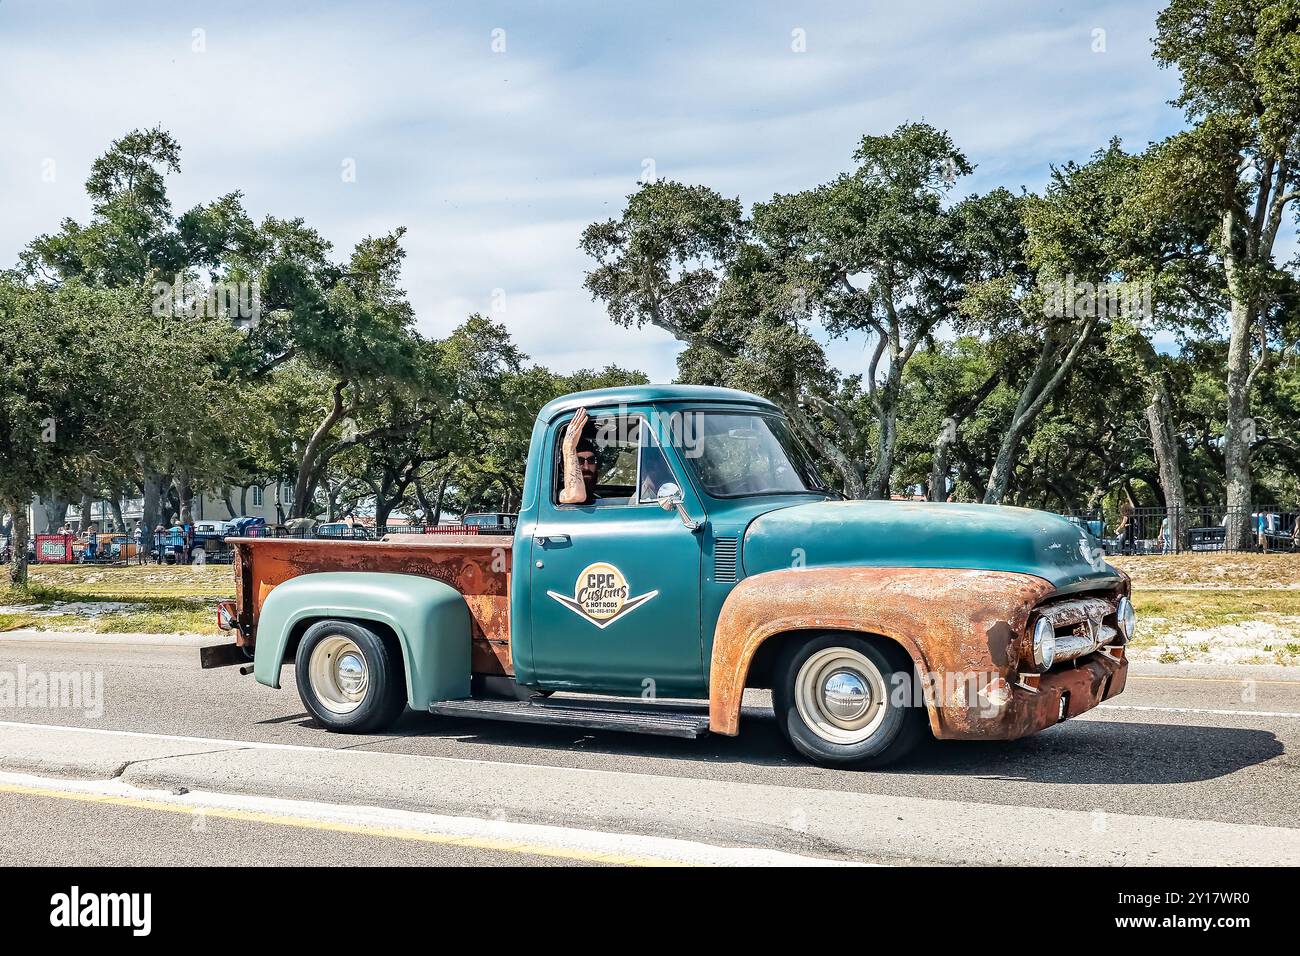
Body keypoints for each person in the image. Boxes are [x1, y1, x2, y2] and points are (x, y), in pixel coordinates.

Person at [559, 407, 602, 505]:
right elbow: (576, 495)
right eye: (579, 461)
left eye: (591, 460)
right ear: (563, 467)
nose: (586, 467)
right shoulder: (560, 494)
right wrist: (569, 448)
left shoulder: (597, 498)